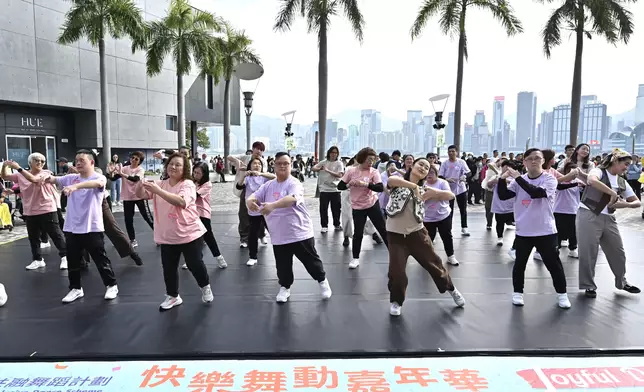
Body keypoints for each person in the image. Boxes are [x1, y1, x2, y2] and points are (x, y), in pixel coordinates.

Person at [246, 152, 332, 303]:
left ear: (290, 165)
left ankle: (322, 281)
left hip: (299, 232)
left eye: (286, 163)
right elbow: (253, 196)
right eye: (279, 163)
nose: (282, 166)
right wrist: (250, 202)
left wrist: (272, 205)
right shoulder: (268, 186)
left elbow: (292, 199)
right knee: (283, 265)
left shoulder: (294, 183)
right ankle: (285, 287)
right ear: (274, 165)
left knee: (311, 262)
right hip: (279, 234)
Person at [385, 158, 465, 316]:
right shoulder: (399, 182)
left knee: (434, 265)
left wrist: (435, 193)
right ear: (412, 166)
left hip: (417, 235)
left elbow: (450, 196)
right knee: (397, 271)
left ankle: (452, 289)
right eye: (420, 164)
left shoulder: (425, 190)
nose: (423, 168)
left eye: (427, 167)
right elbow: (390, 179)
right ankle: (396, 301)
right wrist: (414, 186)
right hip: (395, 236)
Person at [136, 153, 213, 311]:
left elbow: (181, 202)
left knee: (194, 264)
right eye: (171, 164)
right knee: (168, 267)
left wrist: (157, 190)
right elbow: (141, 195)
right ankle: (173, 296)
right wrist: (138, 183)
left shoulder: (188, 184)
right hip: (167, 233)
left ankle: (205, 286)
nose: (173, 167)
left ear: (185, 168)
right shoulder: (160, 183)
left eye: (178, 165)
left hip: (188, 232)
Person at [497, 148, 570, 309]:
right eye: (529, 158)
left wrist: (517, 178)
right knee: (520, 264)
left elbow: (536, 193)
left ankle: (562, 294)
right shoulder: (518, 180)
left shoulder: (549, 179)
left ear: (543, 161)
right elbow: (503, 196)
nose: (534, 161)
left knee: (553, 265)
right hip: (524, 231)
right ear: (524, 162)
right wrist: (502, 179)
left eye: (537, 158)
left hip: (546, 230)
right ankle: (518, 292)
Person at [45, 150, 118, 303]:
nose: (77, 163)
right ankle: (75, 288)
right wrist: (43, 176)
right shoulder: (71, 178)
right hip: (72, 227)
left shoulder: (99, 177)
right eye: (76, 160)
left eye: (81, 160)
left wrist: (75, 187)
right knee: (73, 259)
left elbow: (97, 184)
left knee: (100, 258)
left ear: (91, 162)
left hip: (92, 227)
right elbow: (53, 179)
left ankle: (111, 285)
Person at [577, 149, 641, 298]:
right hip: (589, 214)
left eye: (628, 165)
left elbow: (636, 201)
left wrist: (626, 205)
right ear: (615, 161)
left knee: (618, 252)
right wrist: (612, 193)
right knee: (588, 252)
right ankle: (588, 285)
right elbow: (591, 181)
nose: (627, 167)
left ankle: (622, 281)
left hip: (609, 219)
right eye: (625, 164)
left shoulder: (621, 181)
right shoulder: (598, 171)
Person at [1, 155, 67, 270]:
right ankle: (38, 259)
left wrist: (18, 168)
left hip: (47, 208)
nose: (40, 163)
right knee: (33, 237)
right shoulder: (20, 175)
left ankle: (65, 257)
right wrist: (5, 166)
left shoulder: (46, 173)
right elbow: (4, 176)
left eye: (42, 161)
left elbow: (35, 180)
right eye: (37, 160)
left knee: (56, 235)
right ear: (30, 162)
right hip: (30, 210)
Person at [337, 147, 388, 269]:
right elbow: (340, 186)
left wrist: (365, 184)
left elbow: (380, 188)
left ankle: (395, 255)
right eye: (369, 159)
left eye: (373, 159)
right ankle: (355, 258)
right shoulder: (351, 171)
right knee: (358, 232)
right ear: (362, 158)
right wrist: (350, 184)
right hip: (357, 206)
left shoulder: (373, 172)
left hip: (372, 204)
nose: (371, 162)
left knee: (383, 229)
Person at [183, 162, 228, 269]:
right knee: (191, 238)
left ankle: (219, 257)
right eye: (194, 172)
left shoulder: (207, 184)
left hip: (203, 213)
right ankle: (192, 260)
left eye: (198, 173)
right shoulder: (191, 182)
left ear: (204, 174)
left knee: (208, 237)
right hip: (191, 213)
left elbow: (195, 196)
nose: (195, 175)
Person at [236, 157, 275, 266]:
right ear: (250, 166)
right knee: (252, 234)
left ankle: (282, 250)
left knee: (273, 231)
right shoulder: (248, 178)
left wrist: (261, 174)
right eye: (254, 164)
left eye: (259, 164)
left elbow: (274, 177)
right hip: (253, 209)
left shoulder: (264, 177)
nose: (257, 165)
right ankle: (253, 256)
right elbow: (239, 186)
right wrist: (243, 175)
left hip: (265, 208)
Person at [422, 164, 459, 265]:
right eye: (427, 172)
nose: (429, 175)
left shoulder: (442, 183)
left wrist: (433, 193)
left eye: (432, 172)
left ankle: (451, 256)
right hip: (428, 217)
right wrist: (438, 195)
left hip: (443, 215)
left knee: (446, 236)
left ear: (436, 174)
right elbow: (421, 199)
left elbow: (449, 196)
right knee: (428, 238)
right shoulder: (422, 184)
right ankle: (428, 258)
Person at [119, 151, 154, 248]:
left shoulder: (140, 170)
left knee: (147, 217)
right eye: (132, 158)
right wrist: (111, 173)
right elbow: (114, 177)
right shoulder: (125, 168)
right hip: (128, 197)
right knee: (128, 219)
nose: (133, 160)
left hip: (139, 196)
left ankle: (158, 235)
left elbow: (135, 179)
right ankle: (132, 239)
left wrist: (122, 174)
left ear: (139, 162)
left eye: (136, 159)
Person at [439, 145, 470, 236]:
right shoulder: (445, 163)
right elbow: (440, 176)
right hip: (448, 189)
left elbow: (468, 172)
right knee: (449, 209)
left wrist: (464, 176)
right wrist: (447, 179)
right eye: (449, 151)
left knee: (463, 208)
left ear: (456, 152)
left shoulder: (461, 162)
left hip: (460, 188)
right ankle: (449, 228)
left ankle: (464, 227)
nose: (451, 153)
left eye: (453, 151)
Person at [312, 146, 344, 233]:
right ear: (329, 153)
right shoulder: (323, 162)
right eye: (332, 152)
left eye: (335, 153)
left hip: (335, 189)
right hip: (324, 189)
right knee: (323, 209)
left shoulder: (339, 163)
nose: (334, 154)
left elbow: (340, 175)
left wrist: (327, 170)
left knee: (336, 208)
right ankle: (324, 226)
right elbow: (313, 168)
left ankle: (337, 224)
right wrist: (320, 169)